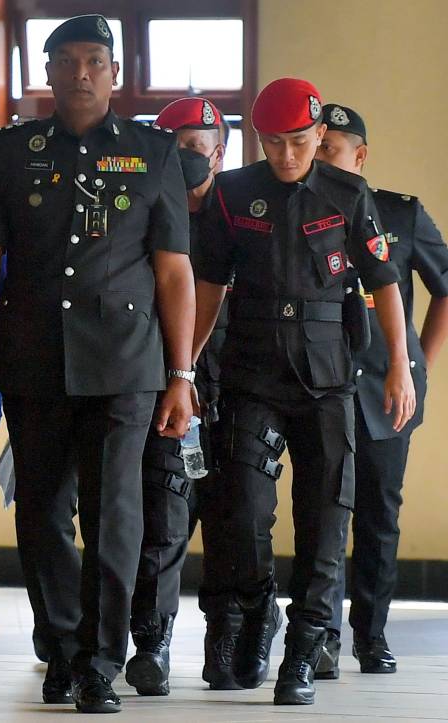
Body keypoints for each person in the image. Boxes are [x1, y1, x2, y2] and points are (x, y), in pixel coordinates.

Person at [0, 15, 194, 714]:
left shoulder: (154, 153)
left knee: (116, 515)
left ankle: (99, 659)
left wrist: (181, 374)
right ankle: (61, 646)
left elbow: (174, 273)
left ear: (115, 73)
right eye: (68, 60)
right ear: (48, 71)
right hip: (33, 358)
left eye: (96, 60)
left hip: (125, 363)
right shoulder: (10, 151)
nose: (82, 72)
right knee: (42, 512)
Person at [192, 78, 415, 706]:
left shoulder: (348, 194)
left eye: (297, 141)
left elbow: (385, 281)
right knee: (243, 508)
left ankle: (305, 646)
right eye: (272, 143)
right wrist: (183, 372)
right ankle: (256, 613)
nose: (286, 155)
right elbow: (209, 287)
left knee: (324, 516)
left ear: (320, 135)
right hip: (252, 371)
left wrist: (399, 365)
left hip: (326, 379)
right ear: (258, 140)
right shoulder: (235, 194)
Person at [312, 103, 448, 679]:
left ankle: (371, 635)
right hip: (322, 383)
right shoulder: (303, 212)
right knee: (323, 513)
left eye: (330, 149)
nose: (319, 159)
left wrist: (419, 364)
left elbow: (445, 288)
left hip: (388, 391)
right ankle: (319, 637)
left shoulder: (401, 213)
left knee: (378, 514)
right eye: (315, 147)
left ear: (359, 157)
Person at [124, 97, 233, 697]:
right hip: (169, 387)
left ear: (221, 152)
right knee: (164, 515)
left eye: (204, 148)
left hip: (239, 388)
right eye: (182, 147)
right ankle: (152, 641)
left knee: (236, 519)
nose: (196, 159)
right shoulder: (142, 213)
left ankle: (232, 636)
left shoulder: (243, 211)